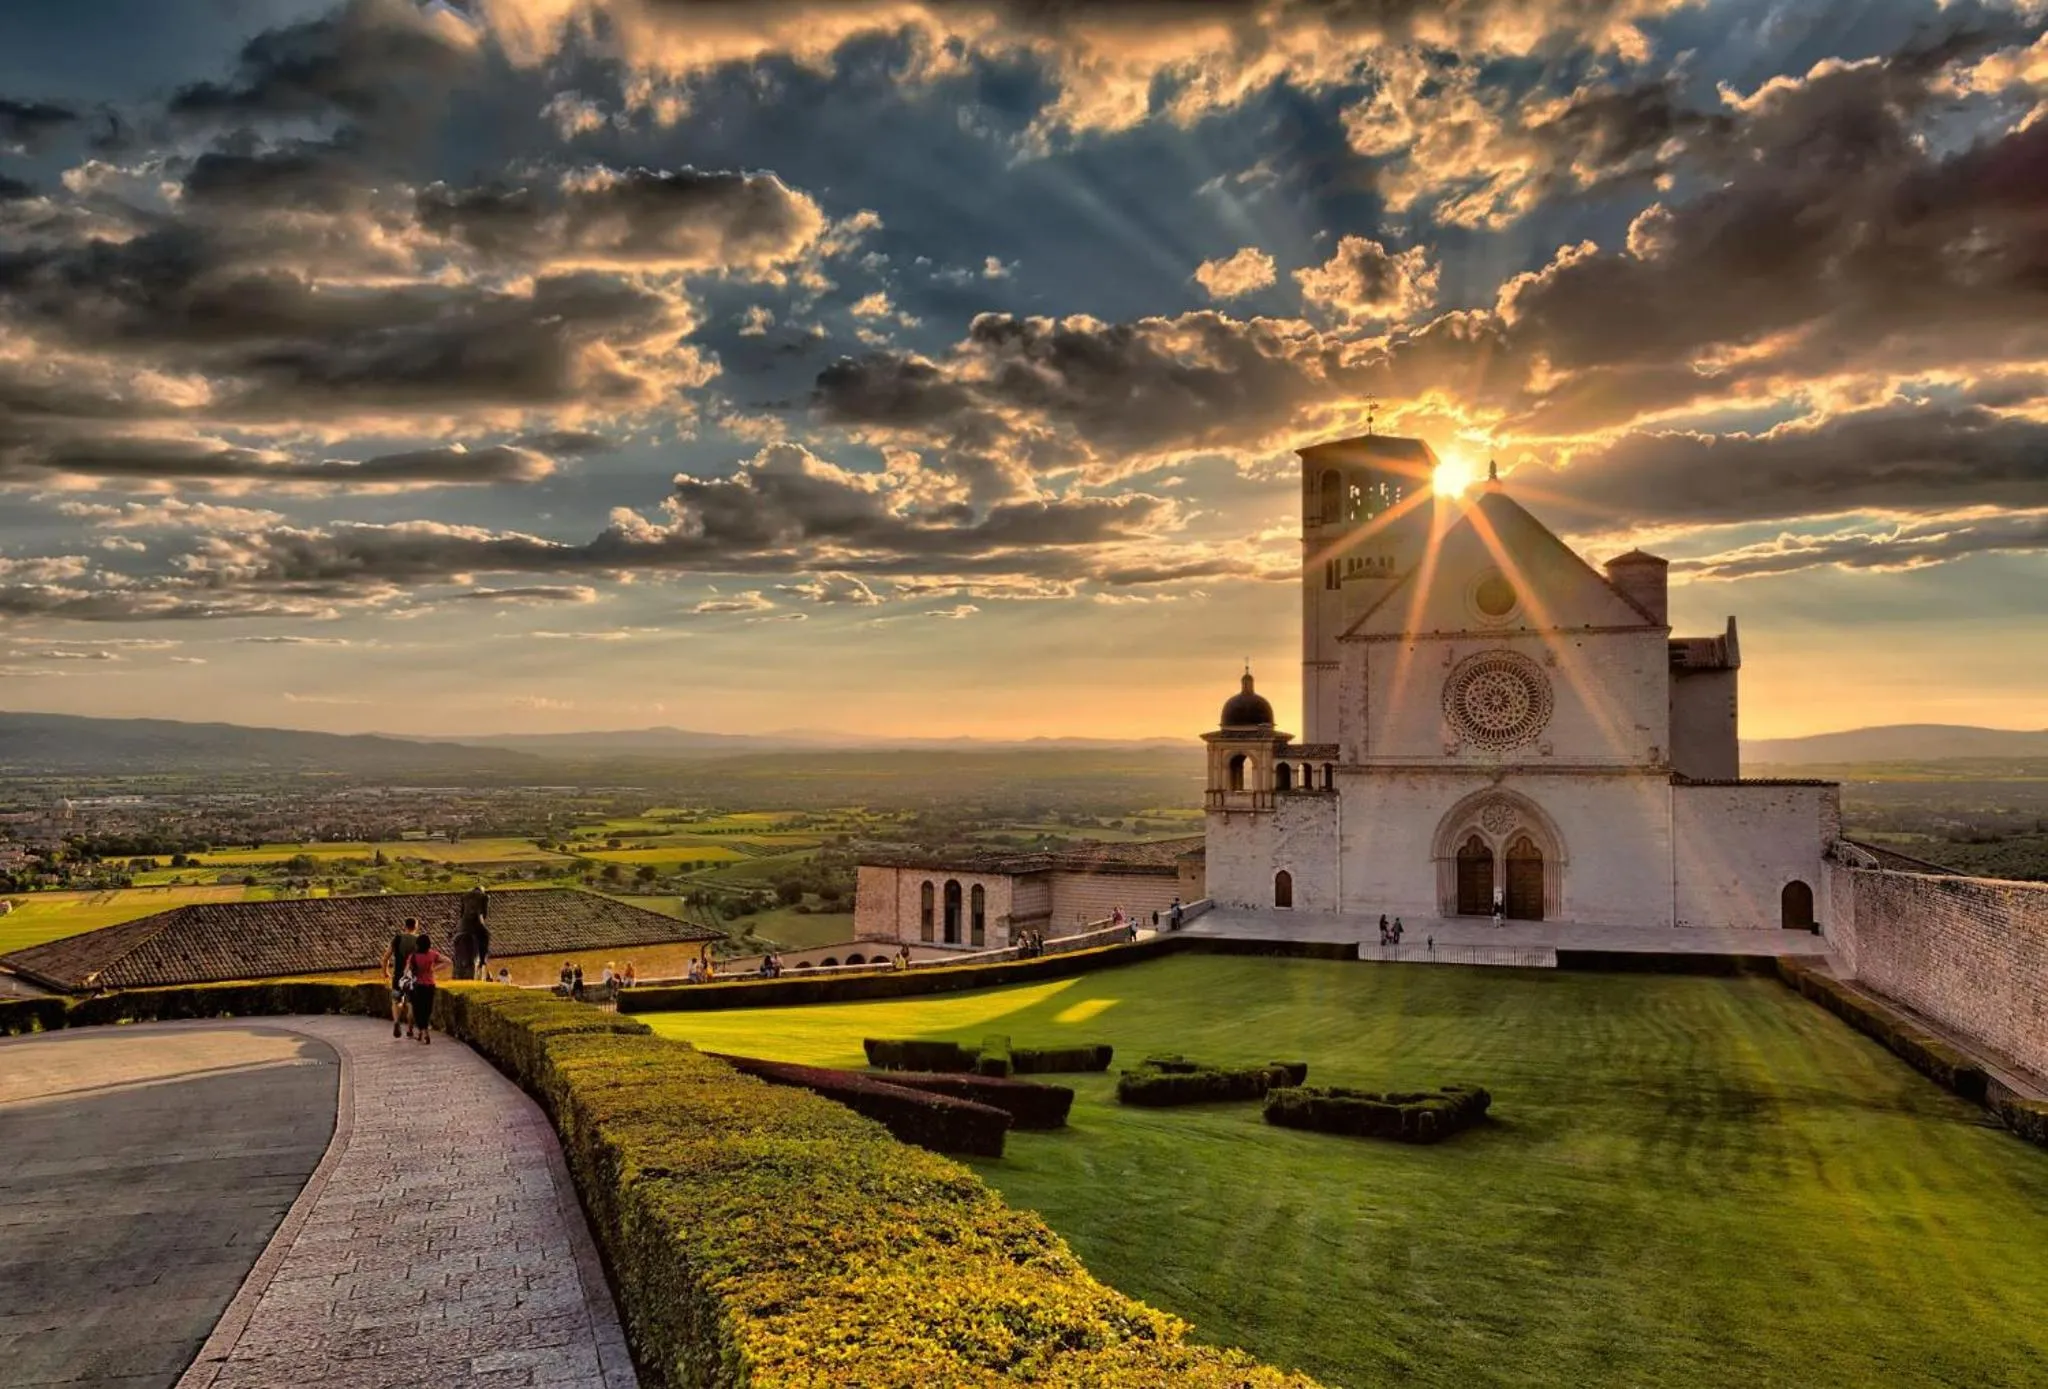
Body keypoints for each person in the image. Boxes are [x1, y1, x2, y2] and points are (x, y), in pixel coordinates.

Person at [405, 932, 452, 1045]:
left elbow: (406, 971)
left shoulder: (413, 956)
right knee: (427, 1009)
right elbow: (448, 961)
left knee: (418, 1010)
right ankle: (423, 1032)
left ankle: (424, 1031)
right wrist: (434, 969)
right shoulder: (432, 954)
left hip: (418, 986)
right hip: (430, 985)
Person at [382, 916, 423, 1039]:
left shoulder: (397, 939)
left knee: (396, 1001)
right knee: (411, 1003)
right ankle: (410, 1028)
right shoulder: (420, 940)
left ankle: (396, 1022)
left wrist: (385, 971)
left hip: (398, 975)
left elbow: (385, 958)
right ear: (416, 927)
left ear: (404, 926)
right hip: (413, 977)